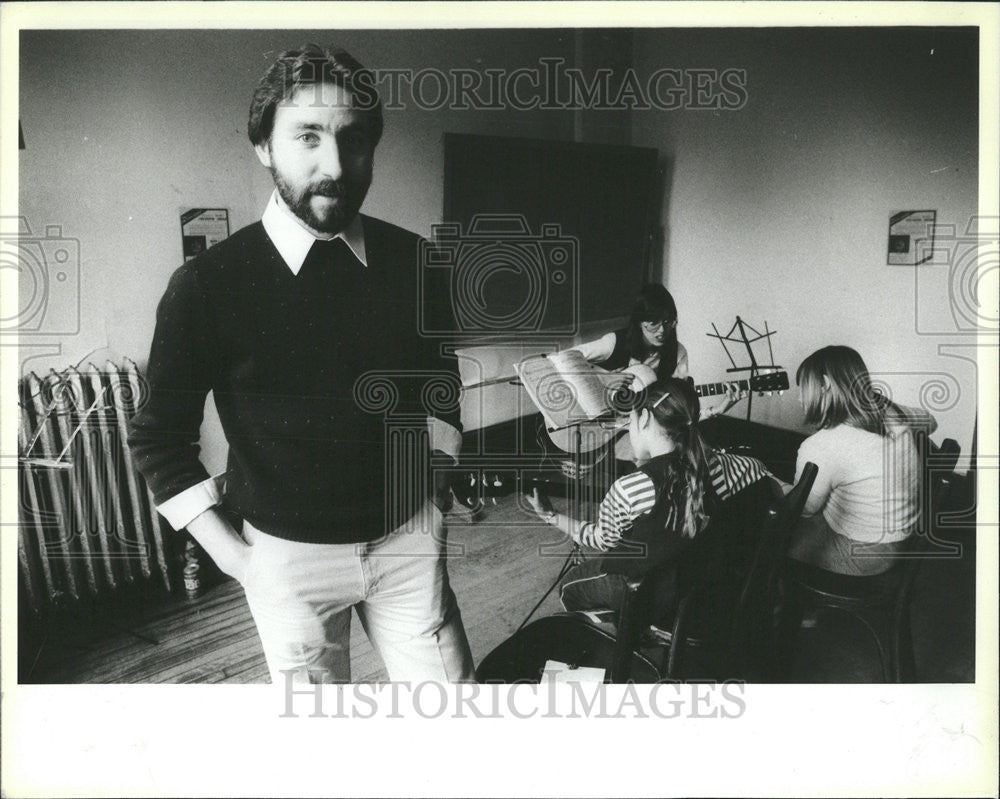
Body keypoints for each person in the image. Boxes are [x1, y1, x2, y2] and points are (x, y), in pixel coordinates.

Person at [128, 45, 475, 684]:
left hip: (409, 543)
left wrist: (437, 487)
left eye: (353, 139)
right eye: (307, 136)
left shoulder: (417, 261)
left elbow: (440, 384)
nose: (334, 166)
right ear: (264, 145)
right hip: (286, 563)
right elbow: (157, 437)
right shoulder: (206, 285)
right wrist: (239, 561)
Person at [525, 377, 771, 616]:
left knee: (568, 589)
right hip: (701, 580)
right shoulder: (731, 466)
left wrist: (551, 516)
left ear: (643, 418)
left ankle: (629, 628)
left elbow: (603, 541)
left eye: (630, 419)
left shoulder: (628, 489)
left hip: (649, 592)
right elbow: (757, 469)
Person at [786, 345, 937, 576]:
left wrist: (774, 484)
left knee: (772, 537)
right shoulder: (889, 410)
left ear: (825, 385)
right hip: (903, 538)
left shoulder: (820, 446)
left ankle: (781, 602)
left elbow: (804, 509)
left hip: (863, 554)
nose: (799, 399)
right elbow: (930, 421)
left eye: (803, 389)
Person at [567, 282, 742, 421]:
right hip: (596, 422)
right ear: (639, 322)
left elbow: (676, 415)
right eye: (653, 323)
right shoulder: (614, 343)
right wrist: (607, 378)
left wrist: (716, 410)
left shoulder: (677, 354)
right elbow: (562, 360)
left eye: (667, 322)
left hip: (633, 430)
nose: (661, 331)